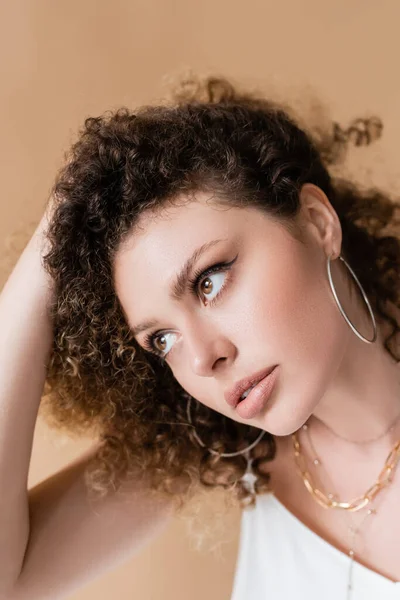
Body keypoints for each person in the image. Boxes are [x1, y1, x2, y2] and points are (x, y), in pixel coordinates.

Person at [1, 73, 399, 600]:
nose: (203, 359)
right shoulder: (231, 447)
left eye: (210, 280)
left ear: (316, 221)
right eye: (162, 340)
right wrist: (52, 247)